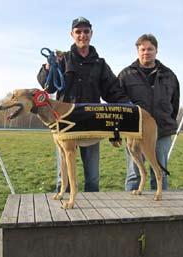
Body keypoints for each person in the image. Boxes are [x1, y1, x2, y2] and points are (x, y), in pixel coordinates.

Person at [37, 17, 130, 192]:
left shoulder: (100, 64)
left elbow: (112, 90)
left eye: (86, 31)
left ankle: (92, 214)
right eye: (78, 32)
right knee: (62, 176)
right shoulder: (61, 60)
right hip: (65, 122)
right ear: (72, 34)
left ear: (91, 34)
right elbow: (47, 86)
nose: (82, 35)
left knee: (92, 178)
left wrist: (128, 105)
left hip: (91, 121)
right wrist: (47, 69)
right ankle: (61, 210)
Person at [118, 34, 180, 191]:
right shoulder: (126, 75)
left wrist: (167, 121)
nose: (146, 52)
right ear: (137, 51)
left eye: (150, 49)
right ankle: (131, 211)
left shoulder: (169, 75)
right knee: (134, 173)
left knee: (159, 173)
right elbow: (118, 102)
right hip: (135, 131)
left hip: (162, 131)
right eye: (143, 49)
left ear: (156, 50)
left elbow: (175, 103)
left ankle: (161, 209)